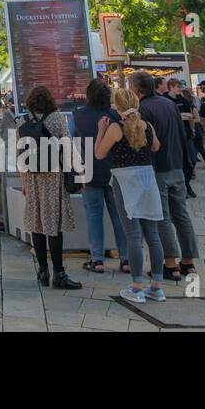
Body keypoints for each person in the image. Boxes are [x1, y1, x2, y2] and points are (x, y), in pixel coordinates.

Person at [96, 87, 167, 305]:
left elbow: (99, 154)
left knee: (133, 235)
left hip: (124, 181)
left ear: (117, 107)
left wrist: (100, 130)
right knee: (152, 234)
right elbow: (156, 147)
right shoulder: (147, 126)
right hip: (147, 179)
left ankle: (136, 286)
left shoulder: (116, 128)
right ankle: (156, 286)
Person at [132, 70, 198, 281]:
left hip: (157, 168)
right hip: (176, 165)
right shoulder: (169, 104)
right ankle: (188, 261)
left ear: (136, 88)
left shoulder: (143, 109)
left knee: (162, 217)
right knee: (181, 215)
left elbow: (142, 144)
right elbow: (182, 133)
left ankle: (170, 264)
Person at [19, 85, 81, 290]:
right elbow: (67, 145)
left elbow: (21, 156)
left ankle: (42, 270)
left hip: (33, 178)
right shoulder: (56, 119)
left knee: (37, 224)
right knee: (53, 225)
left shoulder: (24, 121)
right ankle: (59, 273)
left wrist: (24, 183)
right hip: (53, 176)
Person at [71, 77, 128, 274]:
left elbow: (74, 146)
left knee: (94, 216)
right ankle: (126, 258)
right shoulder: (115, 115)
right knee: (119, 216)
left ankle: (97, 259)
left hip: (89, 172)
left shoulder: (77, 115)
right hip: (115, 173)